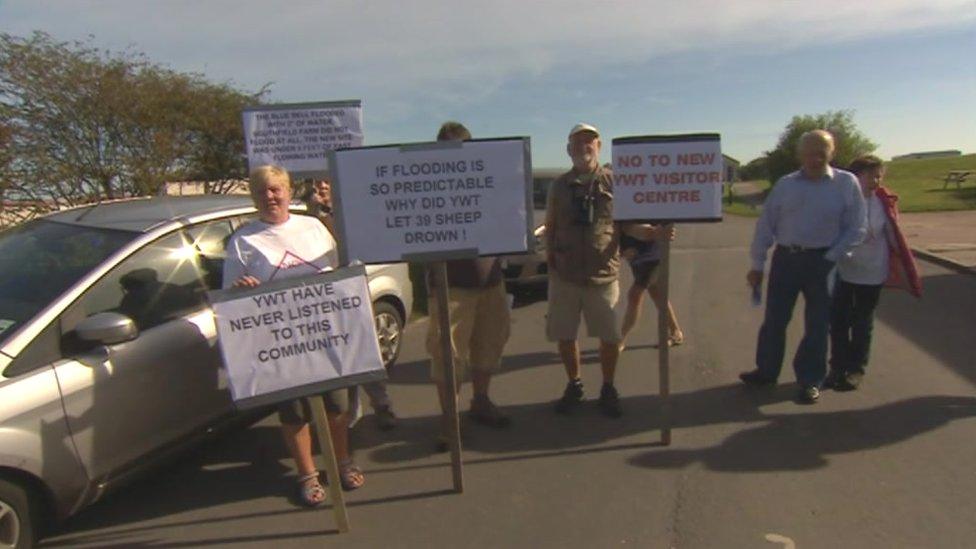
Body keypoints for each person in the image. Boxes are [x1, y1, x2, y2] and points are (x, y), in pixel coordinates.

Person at [223, 165, 364, 508]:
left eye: (275, 189)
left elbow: (339, 268)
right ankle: (307, 474)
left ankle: (341, 462)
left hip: (327, 332)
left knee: (337, 406)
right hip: (280, 340)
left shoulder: (312, 226)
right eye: (261, 192)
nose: (269, 197)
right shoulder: (243, 240)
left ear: (287, 191)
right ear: (254, 198)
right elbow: (229, 296)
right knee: (295, 412)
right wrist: (242, 289)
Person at [740, 130, 867, 404]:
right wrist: (757, 264)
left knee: (818, 325)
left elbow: (857, 226)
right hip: (786, 259)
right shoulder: (786, 185)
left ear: (832, 152)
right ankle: (766, 371)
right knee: (774, 321)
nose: (815, 157)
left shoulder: (846, 183)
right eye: (809, 152)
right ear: (800, 155)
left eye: (822, 151)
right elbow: (766, 226)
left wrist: (833, 256)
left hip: (823, 262)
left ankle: (810, 380)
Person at [545, 123, 654, 418]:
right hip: (565, 277)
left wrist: (651, 233)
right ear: (568, 150)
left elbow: (628, 225)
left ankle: (608, 387)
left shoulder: (614, 183)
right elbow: (551, 226)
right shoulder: (558, 186)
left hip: (603, 276)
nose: (584, 147)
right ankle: (574, 384)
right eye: (577, 143)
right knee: (565, 336)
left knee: (610, 337)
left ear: (599, 146)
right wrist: (550, 263)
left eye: (589, 142)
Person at [426, 121, 512, 451]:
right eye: (447, 147)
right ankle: (450, 420)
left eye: (460, 147)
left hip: (491, 282)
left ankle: (481, 400)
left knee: (489, 346)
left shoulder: (488, 182)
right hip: (451, 288)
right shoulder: (426, 186)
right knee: (448, 355)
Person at [304, 177, 398, 430]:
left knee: (365, 350)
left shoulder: (349, 212)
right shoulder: (306, 220)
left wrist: (325, 213)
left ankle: (382, 404)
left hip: (350, 290)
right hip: (322, 296)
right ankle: (350, 416)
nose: (321, 188)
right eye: (316, 185)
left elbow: (346, 242)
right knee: (340, 356)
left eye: (325, 183)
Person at [826, 154, 922, 390]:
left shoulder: (883, 203)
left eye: (878, 176)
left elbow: (892, 234)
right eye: (870, 175)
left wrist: (901, 262)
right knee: (838, 321)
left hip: (872, 270)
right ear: (855, 177)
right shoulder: (841, 201)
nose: (875, 181)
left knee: (862, 321)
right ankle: (837, 366)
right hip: (844, 270)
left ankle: (856, 369)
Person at [618, 224, 681, 349]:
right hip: (635, 257)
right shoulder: (617, 208)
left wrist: (665, 230)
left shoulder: (647, 207)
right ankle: (676, 332)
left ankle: (620, 340)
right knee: (657, 294)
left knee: (635, 295)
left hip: (651, 255)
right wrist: (621, 250)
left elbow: (661, 223)